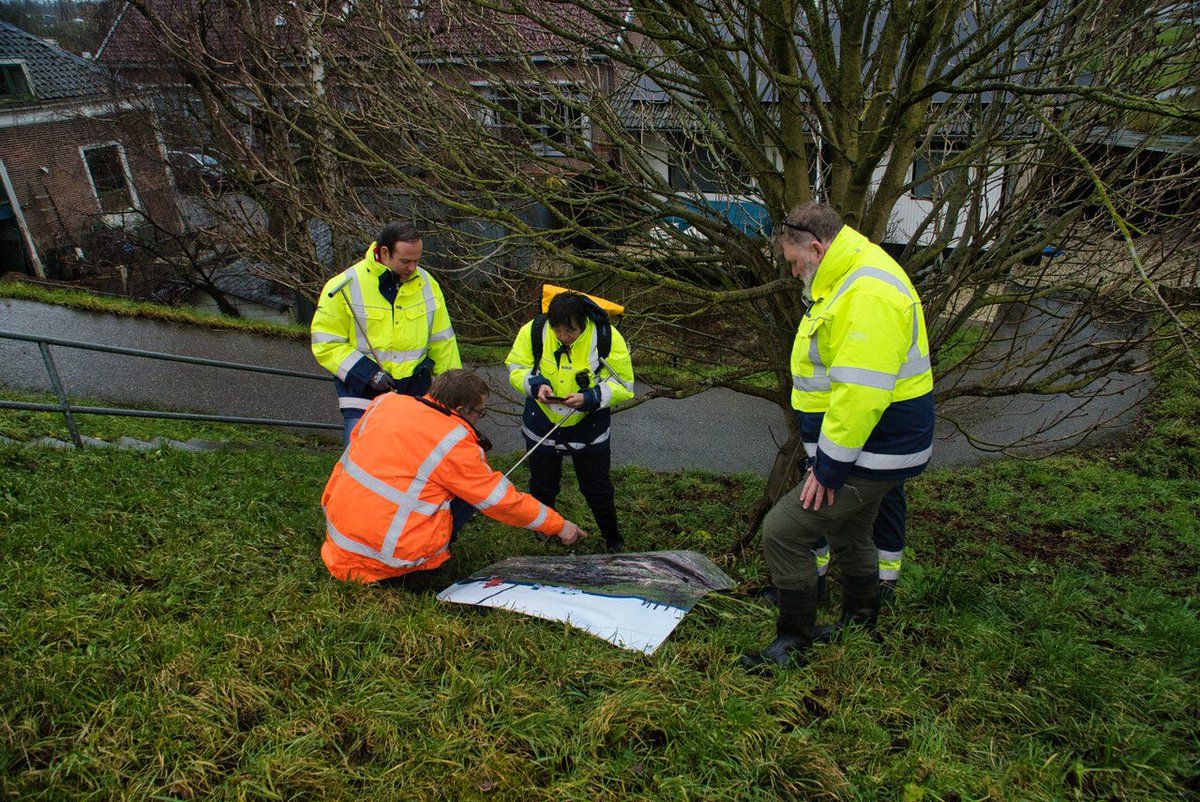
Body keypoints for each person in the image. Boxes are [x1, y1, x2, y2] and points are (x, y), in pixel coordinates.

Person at [741, 202, 935, 670]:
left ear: (816, 246)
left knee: (784, 531)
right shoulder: (847, 277)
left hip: (873, 450)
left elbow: (860, 395)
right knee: (852, 530)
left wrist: (829, 468)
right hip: (871, 449)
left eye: (793, 262)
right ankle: (860, 622)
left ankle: (792, 643)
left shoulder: (865, 291)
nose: (792, 273)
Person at [320, 369, 586, 589]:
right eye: (480, 412)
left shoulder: (385, 403)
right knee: (473, 497)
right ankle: (417, 571)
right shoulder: (452, 443)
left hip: (339, 536)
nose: (480, 418)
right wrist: (559, 525)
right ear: (462, 409)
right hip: (387, 560)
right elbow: (503, 501)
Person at [506, 289, 635, 553]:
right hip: (542, 420)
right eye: (558, 331)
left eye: (570, 331)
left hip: (589, 424)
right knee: (542, 484)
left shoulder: (607, 337)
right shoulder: (534, 330)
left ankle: (613, 539)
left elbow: (625, 384)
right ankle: (544, 531)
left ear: (584, 322)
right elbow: (516, 366)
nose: (563, 337)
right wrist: (535, 386)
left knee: (597, 488)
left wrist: (591, 397)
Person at [311, 221, 461, 444]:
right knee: (361, 461)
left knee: (411, 463)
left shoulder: (428, 284)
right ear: (384, 252)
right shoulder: (344, 286)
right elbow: (326, 343)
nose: (412, 268)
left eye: (417, 261)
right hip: (364, 393)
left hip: (415, 392)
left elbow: (443, 341)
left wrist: (454, 389)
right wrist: (369, 374)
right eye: (405, 261)